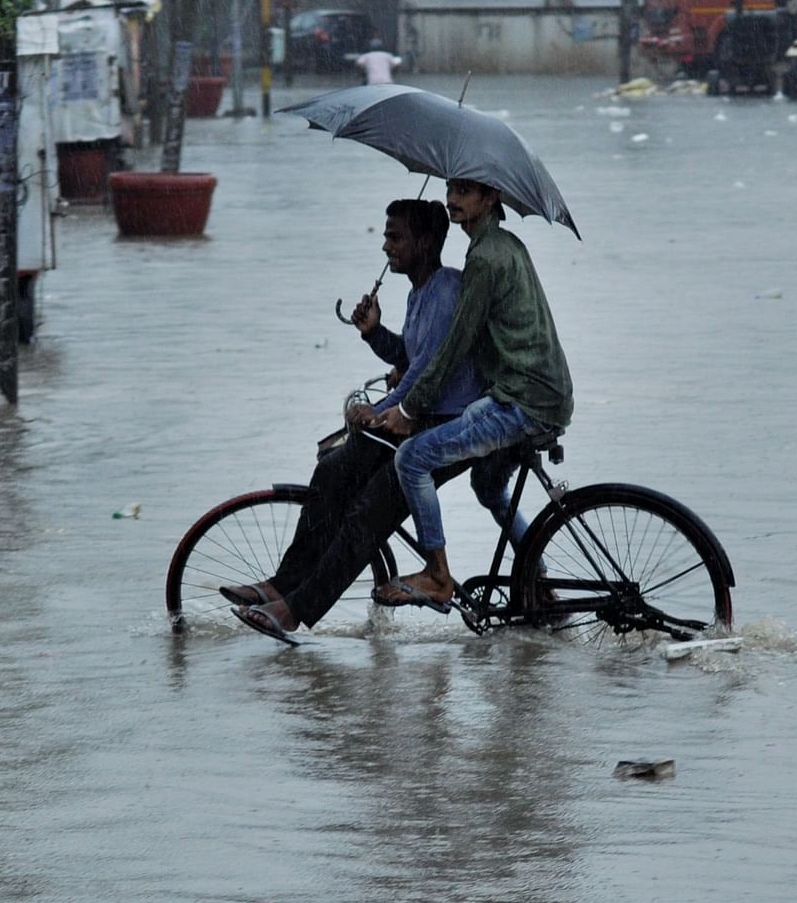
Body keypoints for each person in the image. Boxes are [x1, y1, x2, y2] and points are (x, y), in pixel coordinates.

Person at [224, 198, 521, 643]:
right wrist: (374, 333)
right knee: (334, 470)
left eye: (396, 237)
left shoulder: (445, 291)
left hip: (450, 424)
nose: (386, 246)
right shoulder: (420, 292)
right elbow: (411, 357)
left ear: (425, 242)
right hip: (423, 416)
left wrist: (382, 411)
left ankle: (294, 610)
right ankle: (284, 582)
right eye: (385, 236)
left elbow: (427, 375)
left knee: (368, 511)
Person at [368, 177, 573, 610]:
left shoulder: (483, 259)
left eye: (464, 191)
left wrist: (408, 407)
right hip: (544, 392)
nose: (452, 199)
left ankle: (438, 575)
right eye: (450, 190)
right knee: (487, 485)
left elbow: (455, 344)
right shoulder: (505, 244)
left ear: (491, 197)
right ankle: (538, 581)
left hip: (522, 398)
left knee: (413, 458)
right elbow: (440, 348)